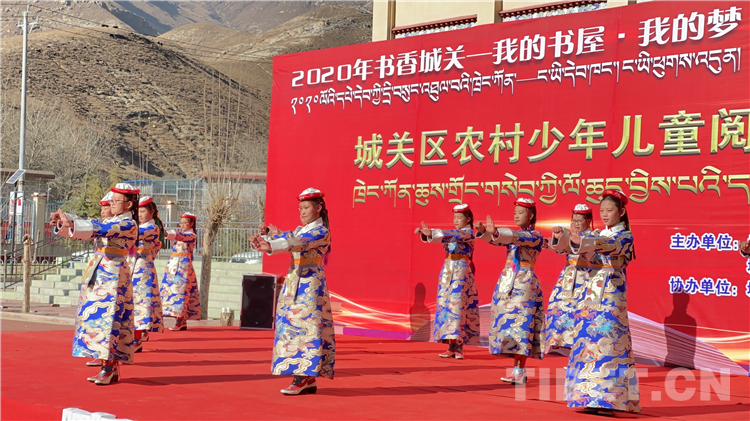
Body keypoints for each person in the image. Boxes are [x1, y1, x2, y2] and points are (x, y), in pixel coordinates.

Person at [553, 189, 640, 415]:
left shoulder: (624, 236)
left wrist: (584, 241)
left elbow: (607, 245)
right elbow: (578, 250)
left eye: (609, 210)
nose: (605, 214)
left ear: (621, 212)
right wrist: (564, 237)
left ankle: (609, 400)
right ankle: (587, 397)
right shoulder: (598, 234)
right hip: (590, 292)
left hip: (612, 295)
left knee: (609, 345)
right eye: (602, 210)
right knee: (587, 344)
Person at [51, 183, 140, 385]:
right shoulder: (109, 221)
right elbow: (93, 226)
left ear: (128, 204)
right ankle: (103, 360)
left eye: (115, 201)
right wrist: (66, 221)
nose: (111, 204)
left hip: (114, 274)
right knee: (95, 317)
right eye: (111, 201)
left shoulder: (129, 224)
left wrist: (71, 222)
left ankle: (109, 367)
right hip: (99, 272)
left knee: (110, 320)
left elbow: (102, 228)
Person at [250, 188, 334, 396]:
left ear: (318, 208)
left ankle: (303, 377)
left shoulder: (320, 231)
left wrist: (270, 244)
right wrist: (268, 236)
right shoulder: (302, 230)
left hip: (309, 286)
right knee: (289, 327)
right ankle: (306, 378)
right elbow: (288, 236)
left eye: (306, 208)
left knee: (306, 330)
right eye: (300, 208)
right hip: (294, 281)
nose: (302, 212)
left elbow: (296, 243)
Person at [474, 197, 544, 385]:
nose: (516, 215)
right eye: (515, 212)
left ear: (531, 215)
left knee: (521, 327)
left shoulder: (535, 236)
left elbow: (515, 237)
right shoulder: (513, 236)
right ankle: (516, 369)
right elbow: (498, 240)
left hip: (524, 283)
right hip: (507, 282)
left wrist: (496, 232)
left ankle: (520, 370)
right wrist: (484, 232)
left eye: (520, 212)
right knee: (508, 325)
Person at [415, 204, 480, 359]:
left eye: (459, 217)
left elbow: (452, 235)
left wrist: (432, 232)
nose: (456, 220)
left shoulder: (468, 233)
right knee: (446, 307)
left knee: (458, 307)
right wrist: (425, 235)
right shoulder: (451, 234)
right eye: (454, 217)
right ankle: (450, 346)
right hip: (447, 271)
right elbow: (443, 237)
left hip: (461, 272)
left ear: (467, 219)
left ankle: (459, 346)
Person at [545, 204, 594, 355]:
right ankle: (558, 341)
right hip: (568, 276)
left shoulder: (594, 236)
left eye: (580, 220)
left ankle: (578, 347)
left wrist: (574, 239)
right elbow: (562, 247)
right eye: (574, 220)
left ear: (588, 220)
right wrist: (558, 236)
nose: (576, 223)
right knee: (557, 307)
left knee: (580, 312)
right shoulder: (570, 234)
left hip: (585, 277)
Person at [130, 196, 165, 351]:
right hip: (133, 267)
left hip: (143, 269)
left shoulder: (152, 228)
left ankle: (137, 338)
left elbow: (135, 234)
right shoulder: (139, 227)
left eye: (143, 211)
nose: (140, 214)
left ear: (151, 212)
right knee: (133, 302)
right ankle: (135, 336)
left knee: (140, 303)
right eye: (138, 211)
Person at [160, 212, 200, 331]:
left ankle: (181, 320)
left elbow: (180, 236)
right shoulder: (181, 235)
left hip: (184, 269)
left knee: (181, 293)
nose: (182, 225)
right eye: (181, 223)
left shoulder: (191, 235)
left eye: (185, 223)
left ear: (191, 223)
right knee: (170, 291)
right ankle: (179, 320)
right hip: (173, 267)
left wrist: (167, 233)